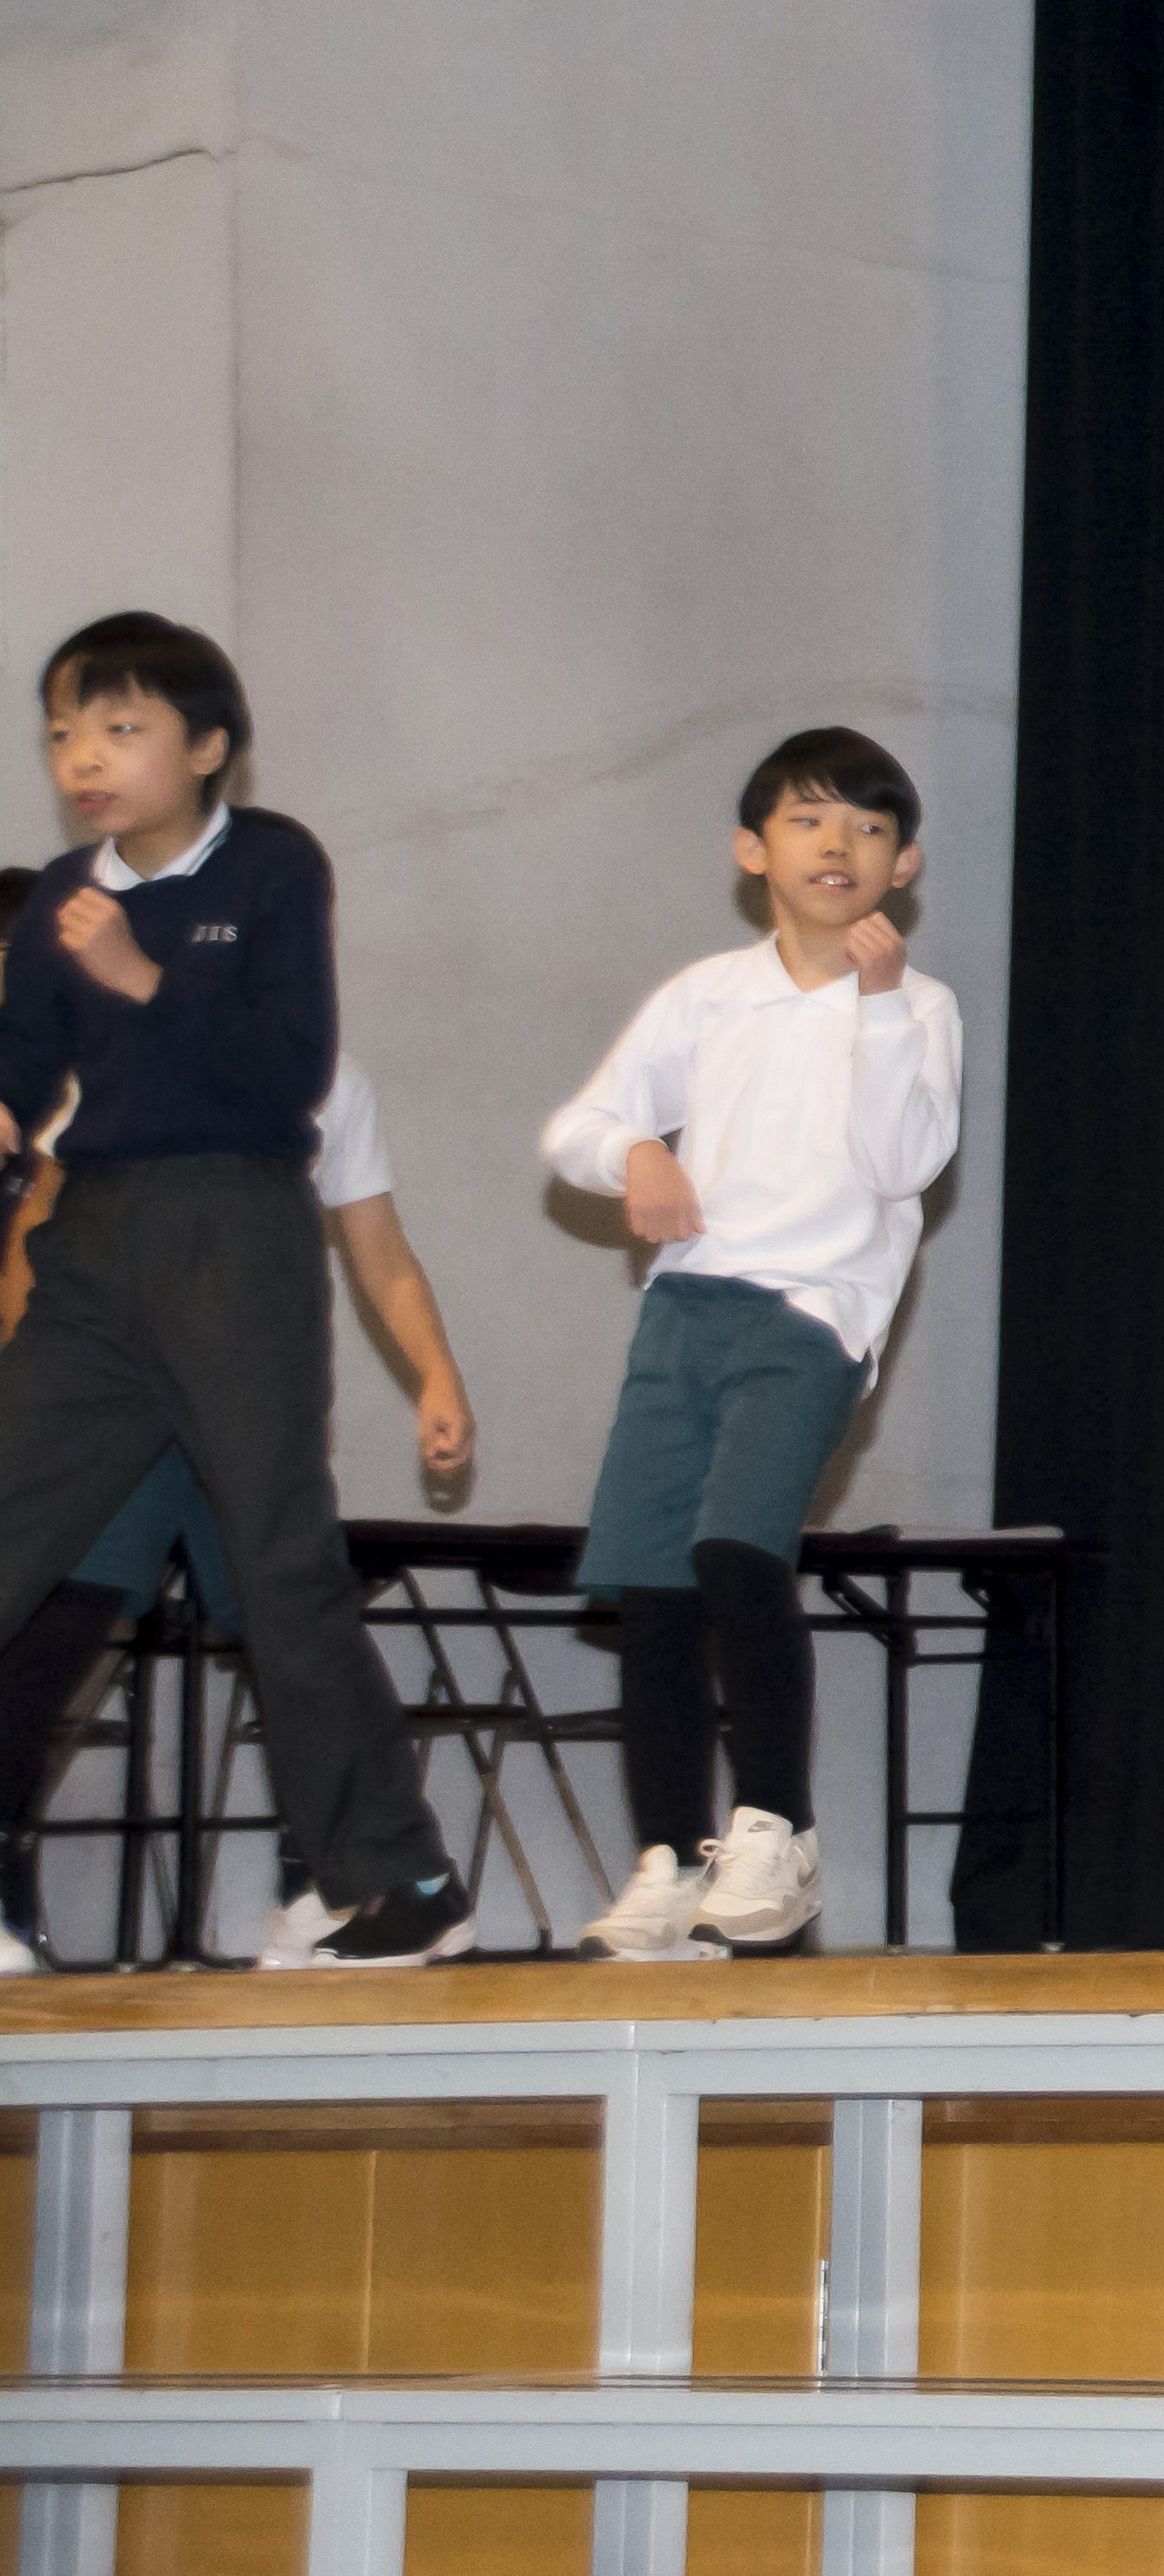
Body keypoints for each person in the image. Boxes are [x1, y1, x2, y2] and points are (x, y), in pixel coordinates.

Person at [0, 613, 470, 1966]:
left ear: (208, 747)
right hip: (95, 1240)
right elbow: (23, 1069)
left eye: (120, 728)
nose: (85, 758)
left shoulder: (269, 864)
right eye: (63, 734)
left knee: (276, 1558)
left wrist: (145, 977)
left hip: (234, 1220)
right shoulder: (57, 894)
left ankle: (400, 1882)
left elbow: (289, 1065)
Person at [540, 728, 960, 1959]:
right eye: (808, 819)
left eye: (869, 827)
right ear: (752, 848)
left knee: (735, 1545)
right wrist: (637, 1150)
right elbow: (579, 1125)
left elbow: (904, 1161)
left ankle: (779, 1828)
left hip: (813, 1312)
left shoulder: (919, 1006)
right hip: (687, 1308)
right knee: (652, 1580)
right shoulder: (706, 994)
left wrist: (878, 1010)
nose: (839, 844)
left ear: (903, 864)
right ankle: (671, 1860)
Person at [0, 1050, 476, 1970]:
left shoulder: (330, 1076)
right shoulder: (122, 1053)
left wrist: (437, 1374)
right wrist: (34, 1371)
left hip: (234, 1385)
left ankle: (377, 1880)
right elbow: (40, 1216)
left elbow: (379, 1249)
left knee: (293, 1613)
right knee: (53, 1610)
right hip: (114, 1388)